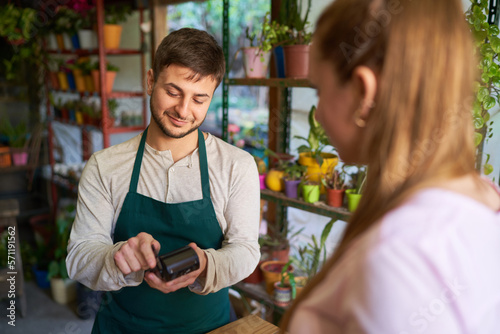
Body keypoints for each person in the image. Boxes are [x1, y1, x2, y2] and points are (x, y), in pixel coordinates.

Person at [281, 0, 500, 333]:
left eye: (319, 92)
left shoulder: (401, 261)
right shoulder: (484, 200)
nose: (319, 114)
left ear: (363, 93)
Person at [66, 28, 261, 333]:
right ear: (150, 81)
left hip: (210, 328)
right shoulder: (105, 166)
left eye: (199, 99)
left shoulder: (237, 166)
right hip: (122, 328)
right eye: (173, 92)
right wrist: (118, 257)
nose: (183, 110)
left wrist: (206, 265)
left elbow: (246, 251)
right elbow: (80, 256)